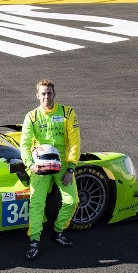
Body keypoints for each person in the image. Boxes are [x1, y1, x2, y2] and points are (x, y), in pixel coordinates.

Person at [19, 78, 81, 260]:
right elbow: (24, 144)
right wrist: (30, 165)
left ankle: (58, 231)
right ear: (37, 95)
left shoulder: (68, 112)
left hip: (62, 163)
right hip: (40, 164)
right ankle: (34, 241)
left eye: (50, 93)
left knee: (72, 201)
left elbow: (75, 142)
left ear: (55, 94)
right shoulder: (31, 116)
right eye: (43, 93)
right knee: (37, 204)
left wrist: (71, 168)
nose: (47, 96)